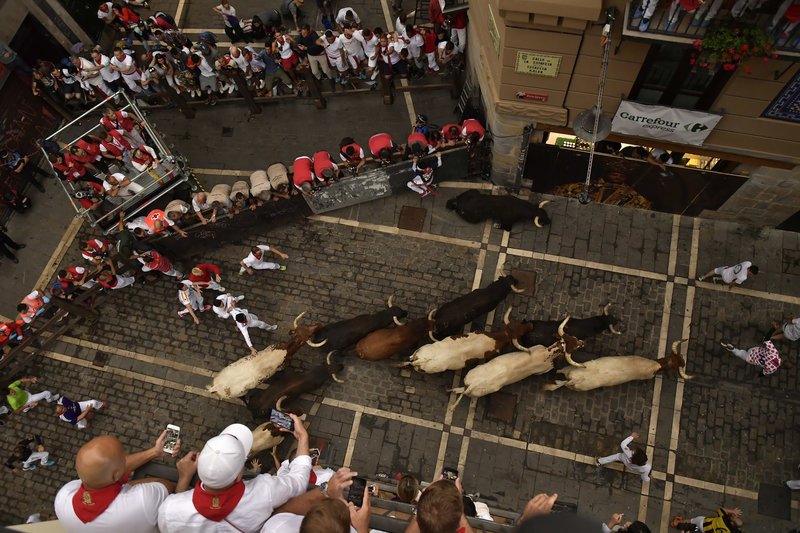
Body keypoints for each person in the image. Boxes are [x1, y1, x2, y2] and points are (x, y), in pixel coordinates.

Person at [157, 419, 312, 532]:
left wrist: (184, 478)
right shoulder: (265, 490)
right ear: (238, 476)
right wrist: (303, 437)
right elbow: (298, 481)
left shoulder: (168, 510)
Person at [54, 431, 191, 532]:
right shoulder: (143, 500)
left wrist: (155, 452)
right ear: (117, 475)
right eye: (124, 459)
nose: (126, 459)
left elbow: (99, 475)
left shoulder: (63, 497)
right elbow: (165, 486)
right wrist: (184, 477)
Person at [720, 340, 787, 376]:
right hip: (750, 359)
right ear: (783, 367)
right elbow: (763, 373)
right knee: (740, 353)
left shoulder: (775, 353)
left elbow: (767, 341)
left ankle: (738, 348)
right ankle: (733, 349)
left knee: (746, 351)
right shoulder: (772, 369)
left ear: (784, 360)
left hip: (753, 350)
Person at [670, 507, 744, 532]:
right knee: (697, 528)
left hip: (702, 522)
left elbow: (719, 509)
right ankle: (692, 529)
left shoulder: (724, 518)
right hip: (705, 531)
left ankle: (677, 522)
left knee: (691, 521)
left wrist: (732, 511)